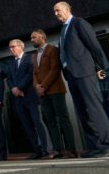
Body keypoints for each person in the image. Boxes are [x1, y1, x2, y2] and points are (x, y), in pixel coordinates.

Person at [53, 1, 109, 158]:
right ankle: (96, 145)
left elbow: (93, 45)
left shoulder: (78, 23)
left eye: (58, 10)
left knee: (94, 108)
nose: (56, 14)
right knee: (82, 112)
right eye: (54, 12)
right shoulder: (63, 30)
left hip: (84, 72)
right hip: (72, 75)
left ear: (68, 9)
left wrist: (99, 67)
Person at [31, 29, 78, 159]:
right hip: (43, 94)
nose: (32, 40)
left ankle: (71, 150)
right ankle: (58, 150)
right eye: (31, 38)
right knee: (50, 121)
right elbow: (34, 73)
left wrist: (43, 86)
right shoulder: (34, 56)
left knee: (63, 119)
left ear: (42, 37)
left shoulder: (53, 50)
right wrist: (37, 86)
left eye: (34, 37)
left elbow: (55, 69)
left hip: (56, 90)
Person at [7, 39, 49, 160]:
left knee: (38, 122)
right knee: (27, 125)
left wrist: (19, 87)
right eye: (10, 47)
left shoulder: (30, 58)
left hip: (31, 97)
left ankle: (46, 149)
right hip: (18, 100)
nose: (11, 49)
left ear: (21, 47)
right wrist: (13, 89)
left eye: (13, 46)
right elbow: (9, 79)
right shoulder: (11, 63)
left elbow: (30, 74)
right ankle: (37, 150)